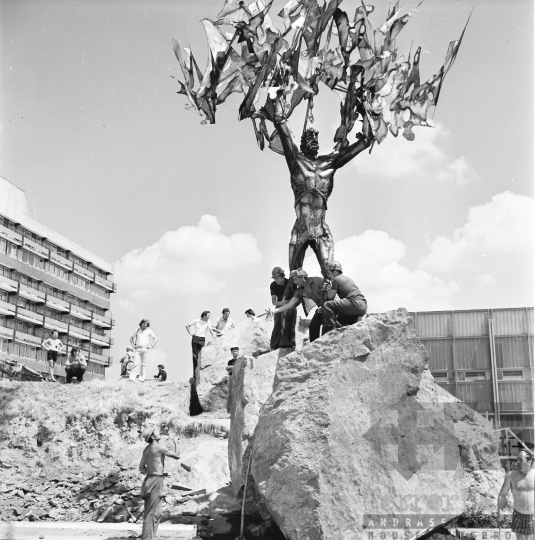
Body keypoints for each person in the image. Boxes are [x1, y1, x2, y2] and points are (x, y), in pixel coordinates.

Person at [138, 427, 180, 540]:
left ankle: (149, 537)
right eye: (155, 432)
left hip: (149, 480)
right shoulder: (159, 447)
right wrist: (176, 442)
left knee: (154, 512)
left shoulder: (146, 449)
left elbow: (141, 468)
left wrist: (156, 472)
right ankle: (147, 538)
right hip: (156, 482)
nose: (158, 432)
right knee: (152, 513)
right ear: (152, 436)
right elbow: (177, 455)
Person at [270, 268, 326, 343]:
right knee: (313, 326)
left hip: (331, 305)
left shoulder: (317, 280)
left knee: (328, 325)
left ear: (302, 277)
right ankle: (314, 346)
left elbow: (330, 293)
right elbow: (290, 305)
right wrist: (274, 311)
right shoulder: (300, 291)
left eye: (296, 279)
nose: (294, 282)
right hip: (322, 309)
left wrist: (324, 306)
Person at [322, 261, 367, 335]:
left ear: (335, 272)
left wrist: (327, 289)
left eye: (329, 273)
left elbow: (330, 297)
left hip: (354, 303)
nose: (329, 276)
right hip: (362, 306)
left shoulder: (336, 279)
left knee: (327, 305)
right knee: (340, 320)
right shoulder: (347, 278)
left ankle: (330, 331)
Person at [498, 450, 534, 540]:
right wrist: (500, 511)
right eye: (517, 459)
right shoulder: (511, 476)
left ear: (529, 462)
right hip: (519, 516)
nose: (517, 462)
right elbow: (502, 495)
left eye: (521, 460)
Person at [186, 311, 215, 378]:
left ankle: (201, 372)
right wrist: (191, 333)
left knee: (202, 356)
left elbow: (210, 329)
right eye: (208, 315)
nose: (209, 317)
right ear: (204, 315)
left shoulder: (208, 321)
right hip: (195, 339)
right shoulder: (196, 321)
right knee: (195, 356)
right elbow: (187, 326)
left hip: (202, 339)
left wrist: (214, 337)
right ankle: (195, 374)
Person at [269, 267, 289, 350]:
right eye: (274, 278)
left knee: (288, 323)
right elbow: (274, 302)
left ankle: (288, 343)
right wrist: (281, 303)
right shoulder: (273, 285)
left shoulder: (289, 283)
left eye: (277, 278)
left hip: (289, 304)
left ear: (282, 276)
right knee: (277, 322)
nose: (276, 280)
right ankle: (274, 345)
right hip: (280, 304)